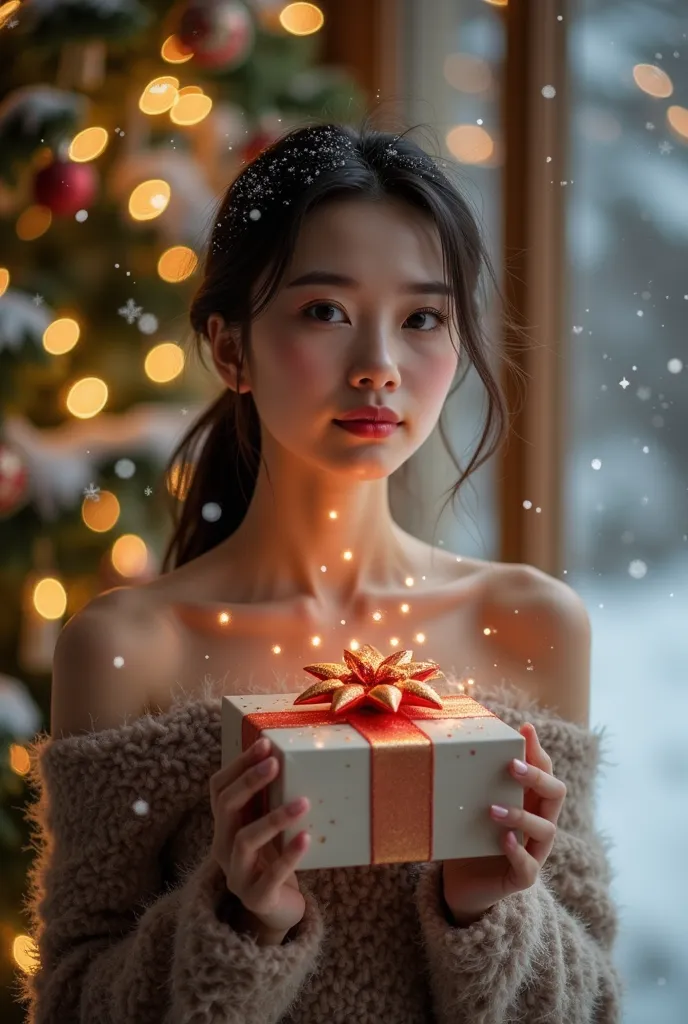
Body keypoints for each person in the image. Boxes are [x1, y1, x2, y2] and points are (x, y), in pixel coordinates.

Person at [18, 119, 623, 1023]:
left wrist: (489, 909)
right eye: (325, 311)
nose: (379, 368)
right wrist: (238, 921)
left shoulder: (531, 624)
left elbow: (591, 1004)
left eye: (422, 319)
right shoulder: (128, 649)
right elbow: (73, 1002)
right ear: (230, 350)